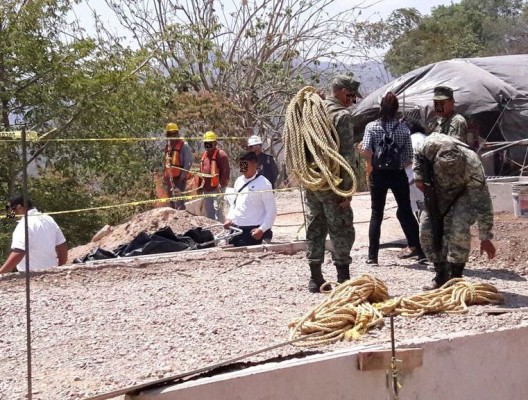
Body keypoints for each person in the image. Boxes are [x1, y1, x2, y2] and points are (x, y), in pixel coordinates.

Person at [414, 132, 496, 290]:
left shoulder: (472, 164)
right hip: (437, 190)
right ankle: (440, 274)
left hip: (463, 193)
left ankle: (456, 277)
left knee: (459, 228)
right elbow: (417, 154)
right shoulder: (428, 147)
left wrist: (485, 236)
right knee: (426, 230)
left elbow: (482, 202)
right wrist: (419, 176)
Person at [305, 75, 360, 293]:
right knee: (341, 227)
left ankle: (315, 277)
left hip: (313, 180)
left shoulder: (312, 111)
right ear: (340, 91)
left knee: (315, 225)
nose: (352, 100)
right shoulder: (341, 116)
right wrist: (346, 191)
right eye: (350, 95)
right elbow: (345, 156)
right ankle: (343, 278)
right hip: (333, 182)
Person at [360, 92, 426, 265]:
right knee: (406, 211)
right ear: (397, 109)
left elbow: (366, 150)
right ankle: (421, 252)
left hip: (378, 174)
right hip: (398, 174)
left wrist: (370, 164)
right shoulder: (404, 129)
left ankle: (372, 256)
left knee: (376, 214)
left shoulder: (371, 127)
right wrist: (396, 165)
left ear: (381, 107)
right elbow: (408, 157)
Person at [0, 195, 68, 274]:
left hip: (32, 276)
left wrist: (1, 272)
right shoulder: (49, 219)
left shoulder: (24, 224)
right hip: (52, 272)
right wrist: (59, 268)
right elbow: (62, 246)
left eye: (11, 210)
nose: (11, 215)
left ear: (19, 207)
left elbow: (18, 252)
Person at [224, 152, 277, 247]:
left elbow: (271, 210)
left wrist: (262, 229)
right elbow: (234, 204)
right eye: (241, 165)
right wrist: (229, 218)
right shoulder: (238, 181)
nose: (243, 168)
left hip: (253, 231)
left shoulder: (264, 183)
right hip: (237, 229)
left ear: (255, 165)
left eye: (246, 164)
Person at [200, 130, 230, 221]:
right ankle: (212, 229)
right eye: (206, 143)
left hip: (217, 188)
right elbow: (200, 171)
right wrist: (199, 186)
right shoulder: (204, 155)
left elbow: (226, 172)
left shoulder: (221, 155)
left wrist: (221, 185)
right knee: (209, 211)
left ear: (215, 143)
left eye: (210, 143)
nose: (207, 145)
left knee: (219, 210)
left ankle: (221, 227)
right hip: (206, 188)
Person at [163, 122, 193, 210]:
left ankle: (182, 219)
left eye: (174, 133)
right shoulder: (168, 146)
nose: (172, 136)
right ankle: (174, 220)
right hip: (170, 178)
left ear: (177, 133)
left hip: (179, 178)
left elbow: (188, 162)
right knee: (172, 201)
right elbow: (166, 162)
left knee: (179, 201)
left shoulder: (183, 145)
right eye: (170, 134)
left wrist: (182, 177)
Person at [404, 118, 427, 218]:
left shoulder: (411, 140)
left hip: (414, 180)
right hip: (428, 178)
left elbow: (407, 160)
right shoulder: (425, 137)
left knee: (420, 210)